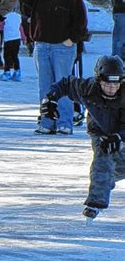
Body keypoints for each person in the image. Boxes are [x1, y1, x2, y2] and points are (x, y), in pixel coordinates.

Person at [40, 55, 125, 222]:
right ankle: (95, 203)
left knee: (117, 168)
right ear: (99, 81)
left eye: (115, 83)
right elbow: (65, 84)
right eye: (107, 83)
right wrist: (51, 99)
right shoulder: (88, 89)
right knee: (103, 159)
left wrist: (119, 137)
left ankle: (106, 181)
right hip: (100, 132)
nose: (111, 88)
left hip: (121, 132)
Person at [14, 0, 87, 135]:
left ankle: (65, 122)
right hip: (42, 46)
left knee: (63, 85)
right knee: (45, 86)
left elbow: (81, 21)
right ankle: (47, 121)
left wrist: (72, 40)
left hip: (63, 47)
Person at [0, 4, 23, 82]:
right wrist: (23, 37)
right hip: (17, 38)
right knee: (15, 56)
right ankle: (17, 72)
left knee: (7, 56)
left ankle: (7, 72)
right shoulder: (18, 16)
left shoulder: (5, 16)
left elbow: (0, 27)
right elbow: (20, 27)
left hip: (8, 39)